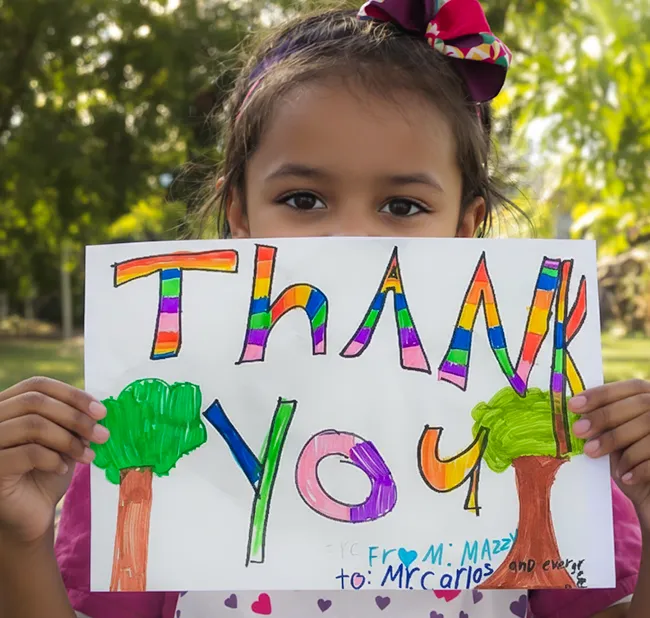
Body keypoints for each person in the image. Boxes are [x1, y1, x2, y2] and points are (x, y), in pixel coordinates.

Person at [0, 1, 649, 617]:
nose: (353, 241)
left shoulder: (544, 425)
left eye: (402, 207)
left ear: (464, 226)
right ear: (240, 212)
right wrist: (18, 539)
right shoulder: (152, 431)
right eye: (305, 199)